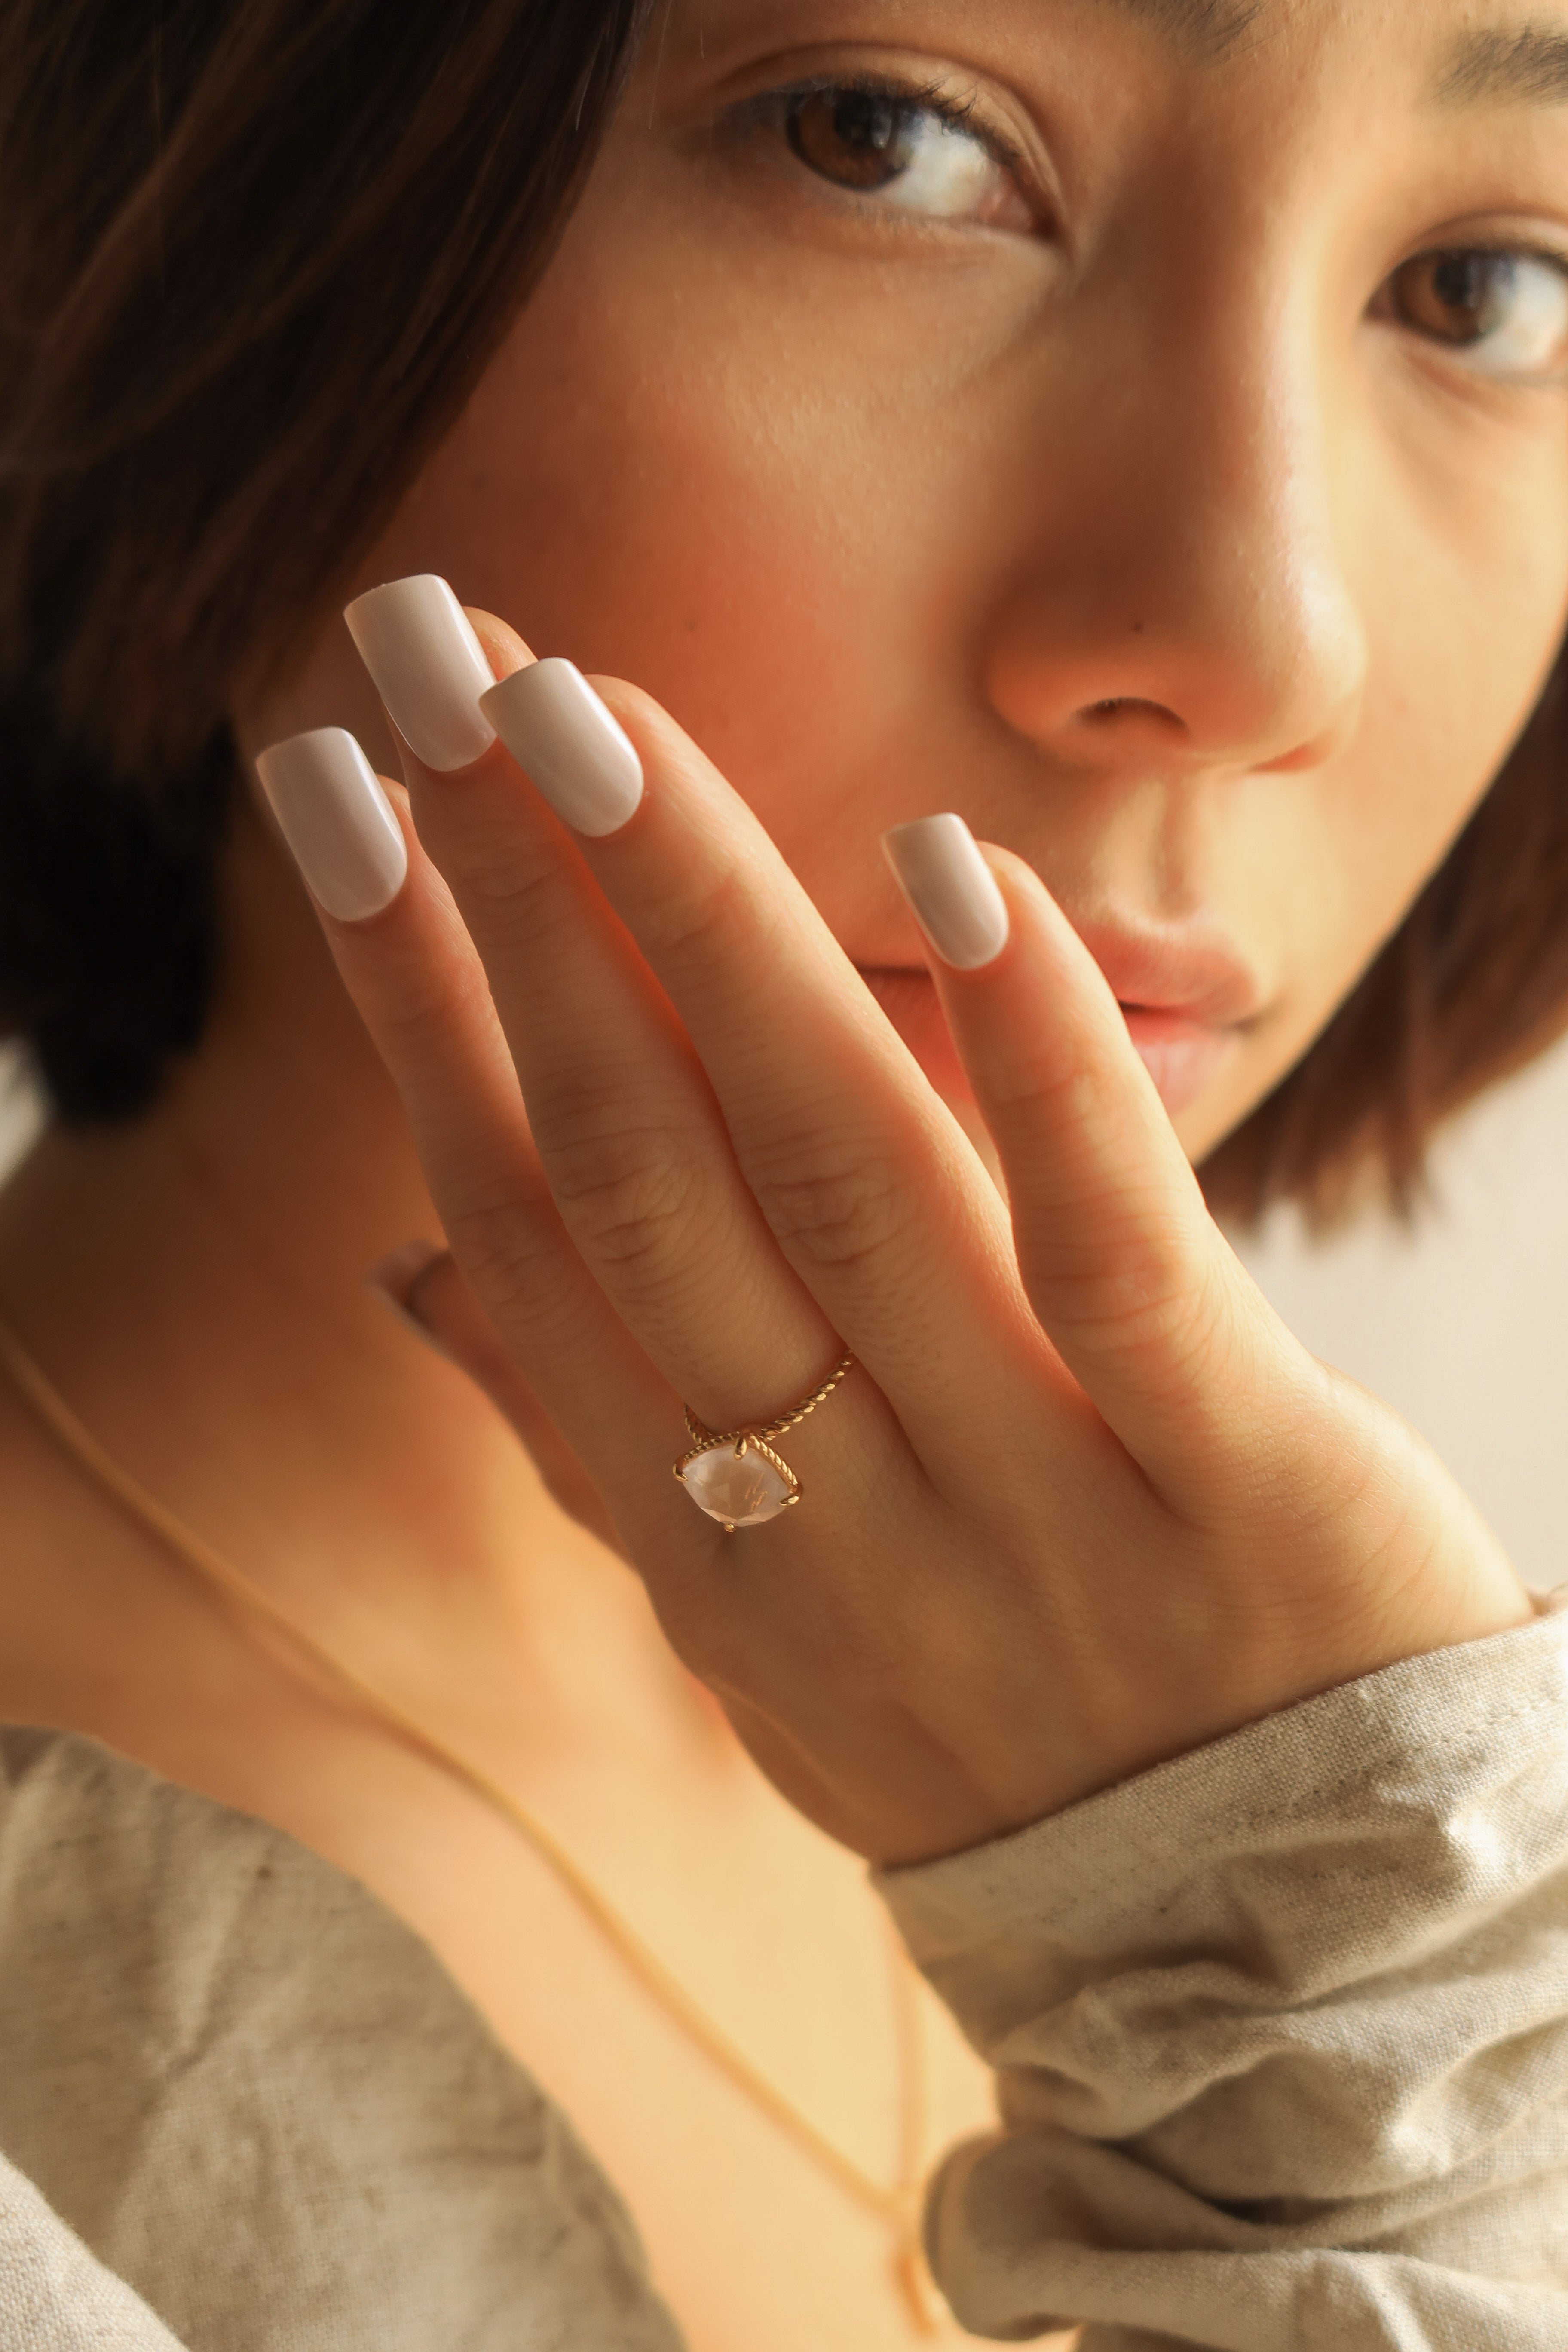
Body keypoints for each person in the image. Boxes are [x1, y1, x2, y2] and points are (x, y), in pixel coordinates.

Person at [2, 0, 1568, 2346]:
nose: (1265, 634)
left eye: (1489, 291)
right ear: (217, 171)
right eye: (887, 141)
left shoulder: (1322, 1759)